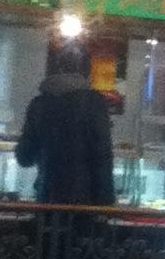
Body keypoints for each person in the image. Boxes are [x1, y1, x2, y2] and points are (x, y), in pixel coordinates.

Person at [16, 46, 115, 205]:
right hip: (85, 201)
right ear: (86, 73)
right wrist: (107, 203)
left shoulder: (38, 104)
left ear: (56, 69)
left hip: (47, 196)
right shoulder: (94, 103)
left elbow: (24, 158)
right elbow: (103, 155)